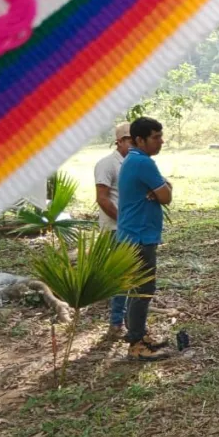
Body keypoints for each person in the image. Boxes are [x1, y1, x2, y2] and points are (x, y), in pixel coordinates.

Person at [117, 117, 173, 361]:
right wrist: (162, 189)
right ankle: (136, 344)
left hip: (134, 234)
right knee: (142, 290)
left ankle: (137, 335)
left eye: (161, 136)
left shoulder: (134, 160)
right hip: (139, 236)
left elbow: (164, 190)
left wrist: (162, 188)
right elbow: (167, 196)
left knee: (139, 289)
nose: (160, 141)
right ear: (139, 140)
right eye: (155, 137)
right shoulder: (143, 163)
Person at [94, 122, 132, 339]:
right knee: (121, 276)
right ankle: (116, 322)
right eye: (129, 140)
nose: (133, 143)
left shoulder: (134, 163)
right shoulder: (107, 164)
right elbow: (102, 198)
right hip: (116, 228)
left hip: (131, 227)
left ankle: (129, 321)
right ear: (119, 141)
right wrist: (124, 220)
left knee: (133, 275)